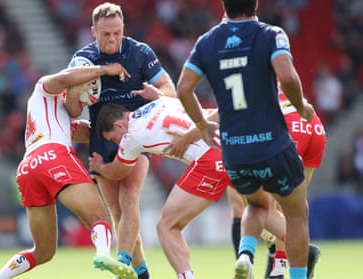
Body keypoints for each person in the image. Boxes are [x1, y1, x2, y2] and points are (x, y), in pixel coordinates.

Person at [176, 0, 315, 278]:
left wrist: (202, 125)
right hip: (273, 145)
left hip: (236, 152)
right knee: (297, 213)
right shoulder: (270, 34)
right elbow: (286, 75)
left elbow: (183, 88)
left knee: (256, 204)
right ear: (256, 4)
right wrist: (301, 107)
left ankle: (245, 254)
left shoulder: (207, 42)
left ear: (224, 6)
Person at [0, 63, 138, 279]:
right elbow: (62, 79)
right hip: (53, 156)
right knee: (100, 219)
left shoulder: (55, 115)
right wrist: (103, 70)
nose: (83, 103)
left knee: (42, 252)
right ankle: (103, 255)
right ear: (74, 86)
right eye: (83, 96)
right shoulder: (45, 88)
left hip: (27, 167)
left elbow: (92, 131)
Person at [70, 2, 177, 278]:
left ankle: (121, 264)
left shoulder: (140, 53)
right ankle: (141, 273)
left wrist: (159, 94)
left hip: (135, 134)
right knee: (118, 214)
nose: (112, 39)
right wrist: (77, 87)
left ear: (123, 29)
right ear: (93, 32)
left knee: (130, 199)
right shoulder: (82, 60)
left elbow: (170, 89)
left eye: (117, 32)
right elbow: (71, 108)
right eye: (105, 34)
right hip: (101, 139)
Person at [88, 95, 231, 279]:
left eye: (114, 139)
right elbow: (183, 98)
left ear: (119, 125)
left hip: (209, 161)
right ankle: (277, 259)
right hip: (229, 145)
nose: (116, 144)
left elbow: (117, 172)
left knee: (167, 225)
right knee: (261, 210)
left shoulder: (132, 137)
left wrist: (99, 167)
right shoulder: (160, 102)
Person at [226, 82, 326, 279]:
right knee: (294, 205)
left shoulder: (246, 73)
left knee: (257, 205)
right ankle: (280, 268)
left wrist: (198, 126)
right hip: (313, 125)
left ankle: (252, 256)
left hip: (281, 125)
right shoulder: (274, 65)